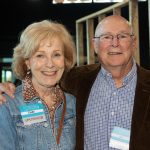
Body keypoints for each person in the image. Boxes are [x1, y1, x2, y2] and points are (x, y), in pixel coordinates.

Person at [0, 15, 150, 150]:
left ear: (134, 42)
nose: (50, 64)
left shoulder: (69, 101)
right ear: (95, 45)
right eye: (106, 37)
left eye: (122, 36)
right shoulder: (9, 104)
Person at [0, 20, 76, 150]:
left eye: (56, 55)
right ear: (27, 62)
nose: (50, 64)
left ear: (65, 59)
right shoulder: (8, 104)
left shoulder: (72, 102)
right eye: (40, 56)